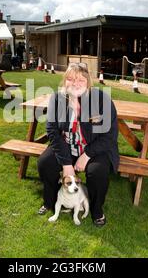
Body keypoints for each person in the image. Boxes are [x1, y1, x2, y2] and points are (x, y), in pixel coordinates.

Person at [37, 63, 119, 227]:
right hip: (67, 147)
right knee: (45, 163)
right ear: (64, 81)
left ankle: (96, 209)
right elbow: (52, 131)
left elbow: (109, 136)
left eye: (81, 80)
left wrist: (87, 155)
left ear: (88, 82)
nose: (75, 83)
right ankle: (50, 201)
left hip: (95, 149)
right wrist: (67, 163)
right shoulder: (57, 99)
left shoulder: (101, 99)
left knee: (97, 172)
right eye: (71, 79)